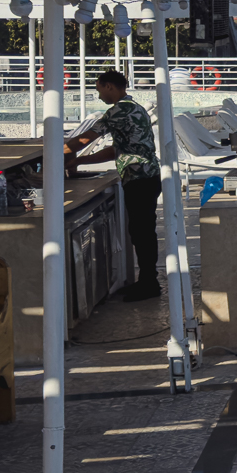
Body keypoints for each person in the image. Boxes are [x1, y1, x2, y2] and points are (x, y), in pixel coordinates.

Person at [65, 69, 162, 301]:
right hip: (147, 176)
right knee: (141, 231)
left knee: (142, 232)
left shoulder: (117, 111)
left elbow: (85, 139)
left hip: (140, 178)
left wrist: (59, 153)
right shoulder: (135, 108)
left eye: (99, 89)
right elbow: (117, 149)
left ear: (109, 86)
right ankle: (147, 280)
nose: (99, 96)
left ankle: (150, 284)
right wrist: (79, 160)